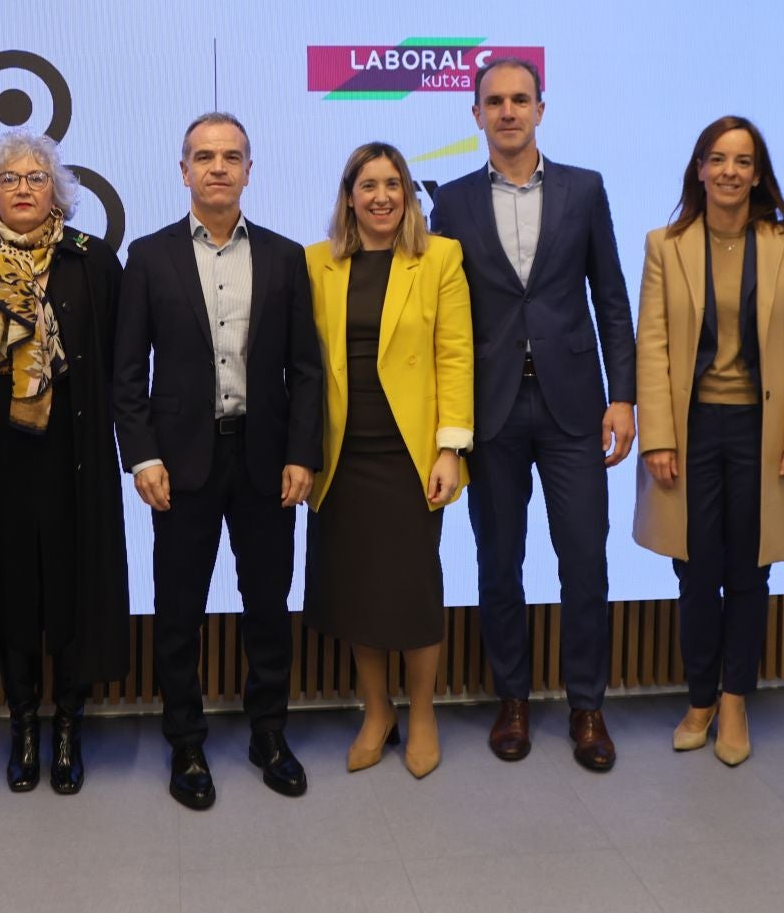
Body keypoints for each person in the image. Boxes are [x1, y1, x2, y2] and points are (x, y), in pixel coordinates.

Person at [112, 112, 324, 810]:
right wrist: (141, 457)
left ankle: (270, 735)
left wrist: (303, 455)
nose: (218, 168)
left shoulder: (288, 257)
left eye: (231, 156)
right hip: (181, 464)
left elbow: (306, 369)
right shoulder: (148, 257)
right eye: (204, 156)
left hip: (266, 461)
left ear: (249, 170)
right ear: (183, 171)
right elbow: (126, 374)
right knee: (180, 611)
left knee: (268, 607)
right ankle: (187, 745)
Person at [429, 58, 636, 772]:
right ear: (477, 115)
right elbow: (441, 315)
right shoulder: (451, 202)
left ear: (541, 110)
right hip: (491, 412)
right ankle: (511, 699)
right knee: (498, 562)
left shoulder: (585, 189)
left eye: (521, 99)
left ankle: (587, 707)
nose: (509, 111)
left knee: (584, 560)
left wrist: (623, 395)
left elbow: (611, 297)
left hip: (574, 405)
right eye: (496, 101)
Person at [0, 130, 129, 795]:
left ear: (59, 192)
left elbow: (118, 354)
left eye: (36, 177)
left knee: (74, 589)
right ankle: (23, 725)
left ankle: (70, 727)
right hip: (1, 461)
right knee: (13, 592)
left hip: (74, 459)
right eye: (10, 178)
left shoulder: (91, 260)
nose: (23, 188)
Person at [633, 115, 784, 766]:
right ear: (699, 169)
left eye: (743, 161)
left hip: (762, 434)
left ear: (758, 173)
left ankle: (736, 698)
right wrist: (656, 437)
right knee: (694, 570)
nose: (729, 172)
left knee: (750, 571)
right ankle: (699, 699)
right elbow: (653, 348)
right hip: (689, 434)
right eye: (717, 159)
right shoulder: (666, 245)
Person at [303, 142, 473, 779]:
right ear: (348, 195)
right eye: (367, 185)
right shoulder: (315, 263)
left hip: (411, 456)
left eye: (393, 184)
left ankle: (423, 711)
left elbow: (456, 356)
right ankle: (377, 711)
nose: (381, 196)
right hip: (340, 457)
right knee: (357, 592)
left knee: (412, 590)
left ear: (409, 194)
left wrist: (451, 449)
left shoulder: (439, 258)